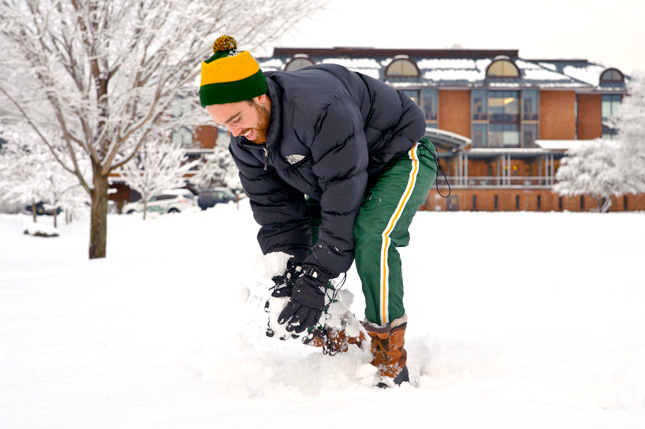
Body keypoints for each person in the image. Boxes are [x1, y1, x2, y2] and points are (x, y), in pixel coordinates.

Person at [200, 35, 438, 387]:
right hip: (341, 177)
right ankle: (336, 332)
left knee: (372, 235)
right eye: (225, 125)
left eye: (237, 118)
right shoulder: (247, 144)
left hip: (399, 157)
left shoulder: (320, 108)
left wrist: (317, 276)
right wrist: (291, 278)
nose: (236, 133)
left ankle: (388, 348)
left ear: (260, 96)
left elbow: (343, 198)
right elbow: (277, 213)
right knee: (299, 263)